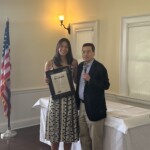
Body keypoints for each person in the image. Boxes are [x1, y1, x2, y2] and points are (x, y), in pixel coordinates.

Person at [44, 38, 79, 150]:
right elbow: (47, 81)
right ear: (57, 47)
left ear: (69, 49)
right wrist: (47, 80)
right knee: (55, 132)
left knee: (67, 132)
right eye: (61, 46)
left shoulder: (74, 62)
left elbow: (75, 80)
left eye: (66, 47)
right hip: (55, 100)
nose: (63, 49)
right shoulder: (49, 63)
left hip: (69, 100)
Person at [76, 43, 110, 150]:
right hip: (81, 105)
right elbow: (78, 84)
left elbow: (106, 85)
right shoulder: (80, 66)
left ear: (93, 53)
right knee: (83, 136)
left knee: (96, 139)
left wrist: (90, 80)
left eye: (88, 51)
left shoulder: (100, 67)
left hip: (94, 107)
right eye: (83, 52)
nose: (85, 54)